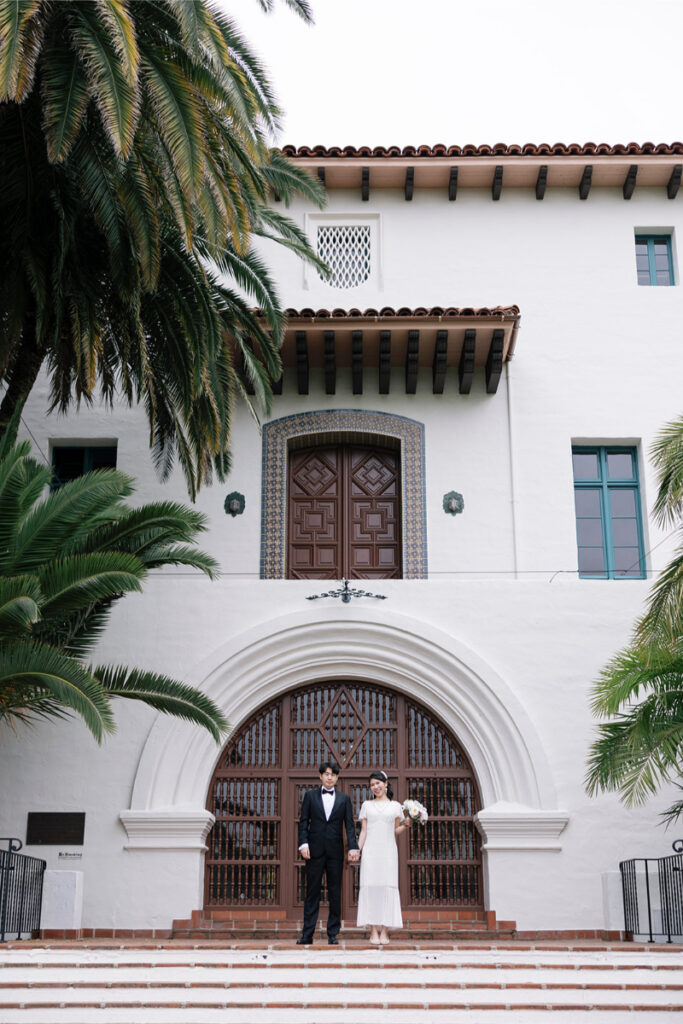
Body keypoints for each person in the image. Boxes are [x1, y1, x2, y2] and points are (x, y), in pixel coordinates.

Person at [297, 761, 359, 945]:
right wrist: (303, 844)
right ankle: (307, 934)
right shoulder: (310, 796)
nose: (329, 777)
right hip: (313, 851)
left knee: (335, 892)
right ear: (320, 776)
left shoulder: (344, 798)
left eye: (333, 774)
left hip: (335, 852)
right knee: (312, 892)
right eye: (326, 774)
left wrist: (353, 847)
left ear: (337, 777)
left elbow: (349, 825)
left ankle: (333, 933)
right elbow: (303, 822)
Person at [356, 769, 411, 944]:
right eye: (372, 784)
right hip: (370, 853)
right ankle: (373, 930)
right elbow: (364, 831)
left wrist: (407, 825)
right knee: (371, 888)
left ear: (386, 783)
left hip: (388, 852)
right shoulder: (366, 805)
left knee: (388, 887)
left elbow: (396, 830)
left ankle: (385, 931)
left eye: (378, 783)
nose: (375, 787)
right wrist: (357, 849)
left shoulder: (396, 806)